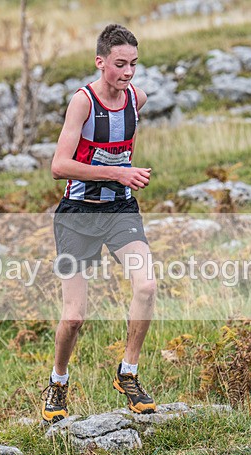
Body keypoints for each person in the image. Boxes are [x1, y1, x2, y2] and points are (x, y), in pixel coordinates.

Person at [41, 24, 158, 423]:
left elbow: (120, 149)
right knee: (74, 317)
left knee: (146, 285)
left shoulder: (135, 99)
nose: (128, 73)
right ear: (100, 61)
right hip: (77, 216)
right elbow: (59, 166)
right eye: (120, 64)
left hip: (120, 211)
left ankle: (128, 373)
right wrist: (118, 173)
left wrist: (123, 180)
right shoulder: (83, 102)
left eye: (134, 65)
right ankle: (58, 381)